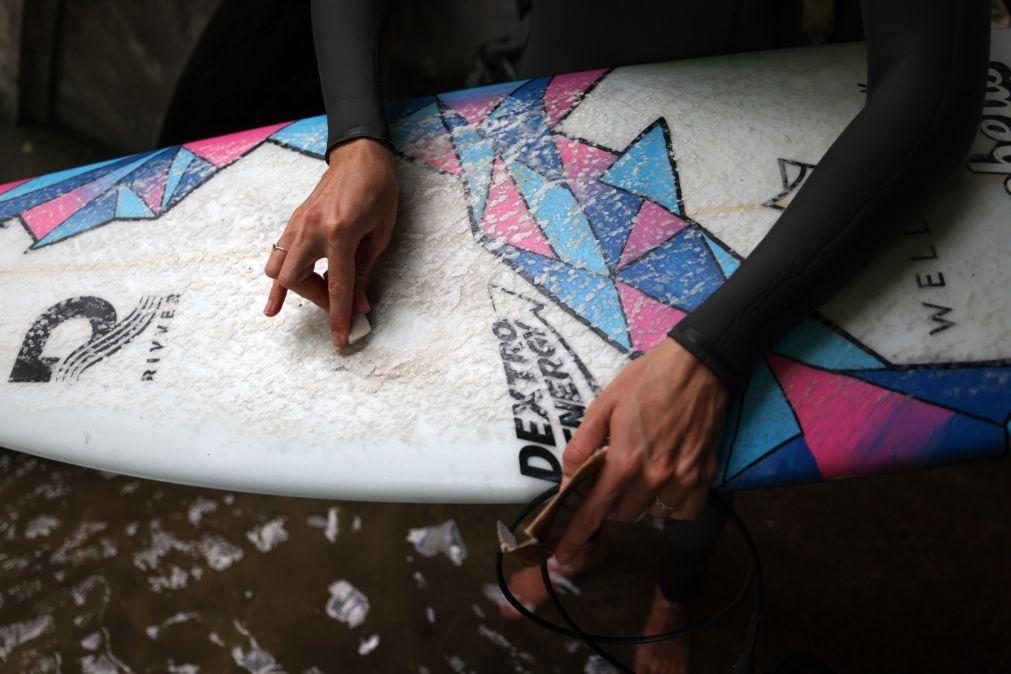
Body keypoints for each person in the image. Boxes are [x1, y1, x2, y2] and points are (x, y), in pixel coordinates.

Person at [263, 2, 990, 671]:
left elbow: (935, 80)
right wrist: (356, 138)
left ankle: (671, 601)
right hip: (555, 97)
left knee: (697, 439)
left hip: (733, 124)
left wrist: (715, 349)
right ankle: (570, 535)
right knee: (541, 382)